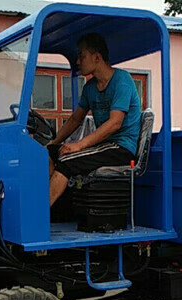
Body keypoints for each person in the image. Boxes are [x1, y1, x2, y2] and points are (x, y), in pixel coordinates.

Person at [47, 33, 141, 206]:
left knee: (67, 162)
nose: (78, 61)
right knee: (50, 153)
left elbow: (114, 123)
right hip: (102, 146)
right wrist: (53, 143)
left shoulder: (122, 81)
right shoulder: (90, 87)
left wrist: (79, 145)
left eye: (81, 56)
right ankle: (57, 211)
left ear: (97, 57)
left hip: (121, 148)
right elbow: (75, 119)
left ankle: (37, 218)